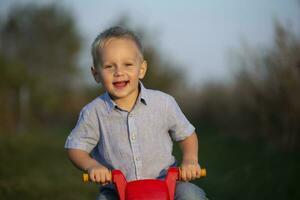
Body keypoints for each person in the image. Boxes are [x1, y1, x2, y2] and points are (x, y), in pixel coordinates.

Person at [65, 26, 208, 200]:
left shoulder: (163, 103)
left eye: (128, 64)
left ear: (141, 69)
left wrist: (190, 160)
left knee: (191, 195)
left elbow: (187, 135)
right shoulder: (94, 112)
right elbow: (76, 147)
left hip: (166, 184)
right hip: (118, 190)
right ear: (96, 74)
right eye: (109, 66)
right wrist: (92, 166)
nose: (119, 72)